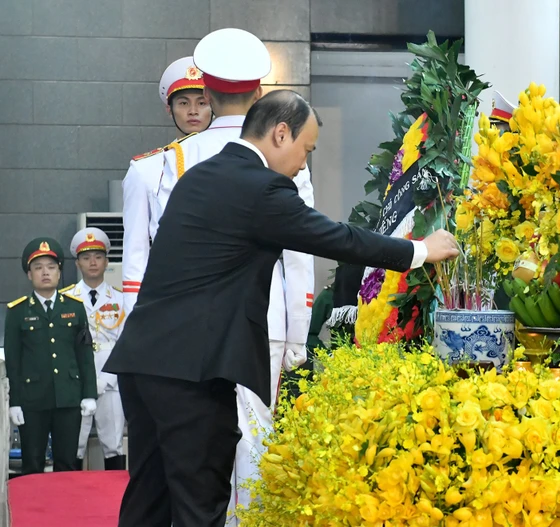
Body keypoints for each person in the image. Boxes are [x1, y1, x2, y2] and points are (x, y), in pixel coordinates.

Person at [103, 89, 459, 526]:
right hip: (192, 371)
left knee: (148, 499)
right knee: (202, 504)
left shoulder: (199, 174)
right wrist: (419, 249)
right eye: (305, 151)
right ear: (280, 133)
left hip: (143, 361)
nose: (303, 164)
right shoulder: (261, 187)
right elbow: (334, 237)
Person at [153, 28, 316, 521]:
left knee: (194, 457)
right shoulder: (282, 156)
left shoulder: (169, 162)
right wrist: (296, 338)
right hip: (259, 325)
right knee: (256, 446)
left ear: (205, 93)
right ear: (261, 93)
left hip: (181, 338)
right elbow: (299, 255)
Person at [121, 56, 211, 313]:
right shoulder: (147, 169)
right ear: (169, 109)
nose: (193, 111)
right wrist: (133, 320)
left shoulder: (237, 158)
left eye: (202, 102)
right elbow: (136, 253)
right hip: (171, 296)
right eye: (183, 103)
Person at [4, 238, 97, 474]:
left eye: (51, 267)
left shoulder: (75, 308)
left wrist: (89, 394)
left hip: (68, 397)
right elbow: (14, 362)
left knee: (67, 464)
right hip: (32, 400)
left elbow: (84, 354)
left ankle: (66, 511)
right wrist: (14, 402)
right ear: (29, 274)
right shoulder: (17, 312)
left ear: (59, 272)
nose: (45, 273)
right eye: (38, 268)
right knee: (32, 465)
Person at [63, 228, 127, 471]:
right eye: (87, 257)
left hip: (111, 382)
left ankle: (117, 503)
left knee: (114, 445)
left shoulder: (121, 299)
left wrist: (107, 379)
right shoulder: (66, 299)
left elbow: (125, 344)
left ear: (107, 261)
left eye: (98, 256)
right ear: (78, 262)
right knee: (74, 446)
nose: (92, 262)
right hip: (77, 383)